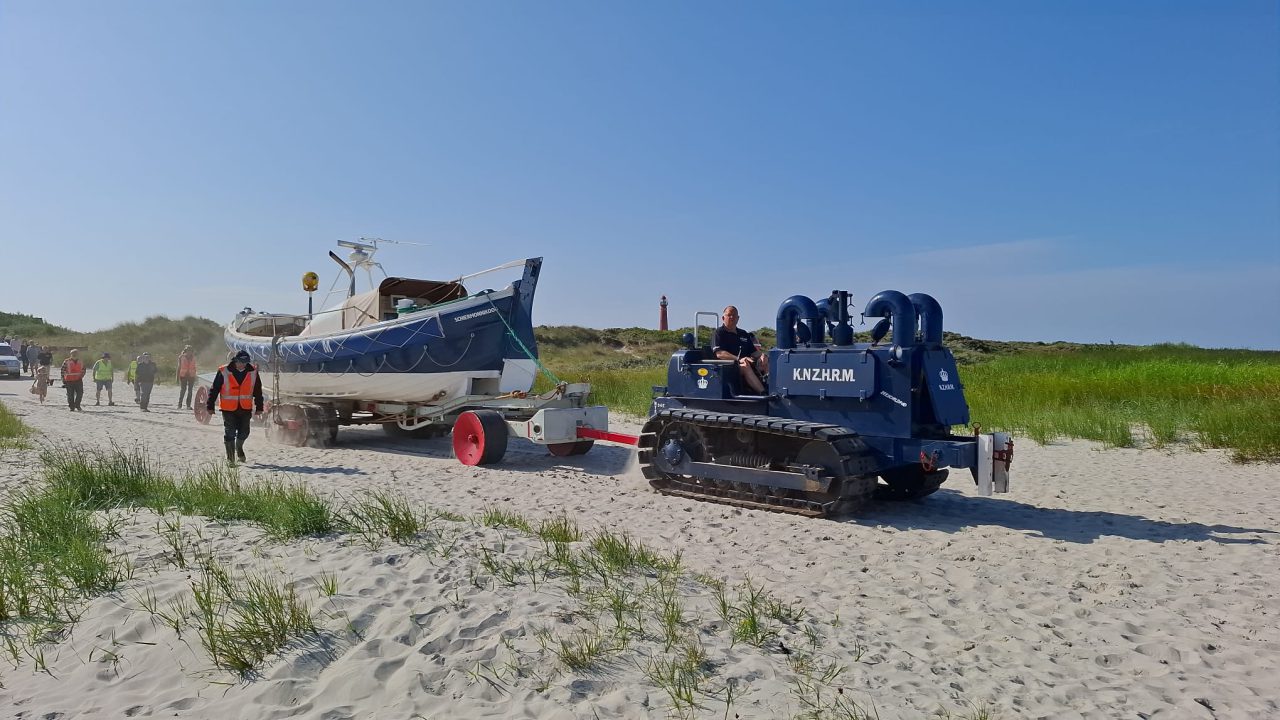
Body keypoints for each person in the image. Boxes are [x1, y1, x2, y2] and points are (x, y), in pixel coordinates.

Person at [206, 350, 264, 465]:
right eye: (241, 362)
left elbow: (258, 390)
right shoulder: (224, 371)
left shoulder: (253, 372)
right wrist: (210, 405)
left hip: (245, 408)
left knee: (244, 432)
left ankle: (239, 448)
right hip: (228, 409)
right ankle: (230, 459)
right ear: (235, 360)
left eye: (245, 362)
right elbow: (214, 389)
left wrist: (259, 407)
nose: (243, 364)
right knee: (230, 432)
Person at [713, 305, 769, 394]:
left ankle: (772, 388)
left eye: (734, 315)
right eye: (729, 315)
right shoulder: (719, 333)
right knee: (745, 366)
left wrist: (763, 355)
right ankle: (763, 393)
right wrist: (738, 359)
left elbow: (753, 352)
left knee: (766, 361)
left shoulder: (743, 334)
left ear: (738, 318)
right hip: (729, 366)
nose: (732, 317)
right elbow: (719, 354)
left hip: (749, 363)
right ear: (723, 318)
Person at [177, 345, 197, 409]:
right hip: (183, 375)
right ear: (185, 351)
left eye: (190, 351)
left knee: (190, 391)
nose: (189, 352)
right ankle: (179, 405)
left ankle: (188, 405)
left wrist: (195, 375)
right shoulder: (181, 357)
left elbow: (194, 367)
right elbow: (179, 367)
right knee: (183, 390)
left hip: (191, 375)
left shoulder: (193, 358)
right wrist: (177, 377)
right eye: (188, 351)